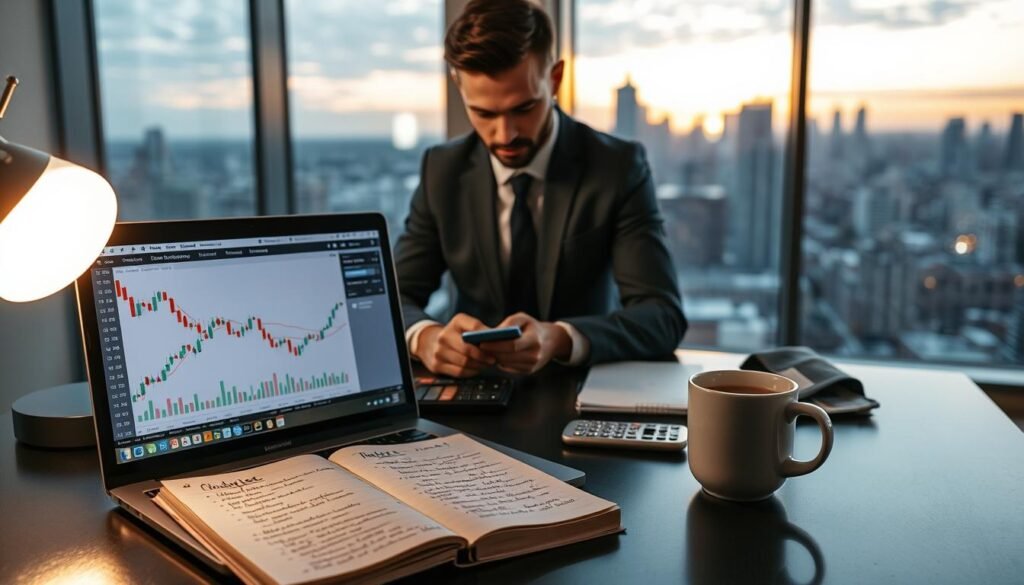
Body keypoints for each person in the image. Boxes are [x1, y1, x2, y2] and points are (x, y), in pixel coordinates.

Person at [395, 0, 686, 378]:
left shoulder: (617, 167)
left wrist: (561, 338)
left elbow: (662, 316)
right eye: (483, 113)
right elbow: (391, 298)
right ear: (458, 86)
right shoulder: (442, 170)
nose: (505, 135)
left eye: (524, 108)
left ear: (555, 78)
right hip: (471, 391)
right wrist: (424, 337)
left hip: (578, 389)